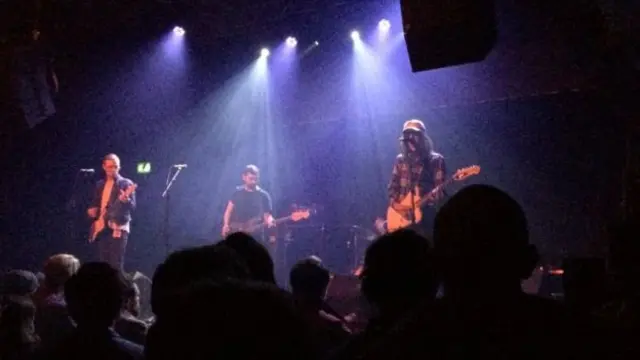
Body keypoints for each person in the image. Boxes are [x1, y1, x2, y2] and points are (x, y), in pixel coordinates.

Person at [387, 119, 446, 237]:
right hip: (401, 219)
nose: (411, 139)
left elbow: (440, 192)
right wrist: (398, 207)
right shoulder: (400, 160)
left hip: (426, 217)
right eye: (408, 135)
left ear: (423, 138)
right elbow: (392, 188)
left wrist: (432, 197)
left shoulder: (435, 160)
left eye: (415, 135)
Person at [87, 154, 136, 272]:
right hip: (102, 226)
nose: (113, 170)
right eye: (110, 167)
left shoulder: (126, 183)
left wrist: (126, 200)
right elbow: (96, 204)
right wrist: (92, 210)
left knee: (116, 264)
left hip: (118, 226)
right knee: (103, 264)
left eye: (116, 167)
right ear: (104, 167)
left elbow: (133, 206)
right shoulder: (100, 184)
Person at [222, 164, 275, 240]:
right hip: (236, 232)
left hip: (255, 236)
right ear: (244, 177)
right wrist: (226, 225)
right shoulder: (236, 193)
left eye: (256, 179)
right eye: (251, 179)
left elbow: (267, 216)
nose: (253, 181)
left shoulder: (264, 196)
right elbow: (228, 211)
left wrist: (270, 220)